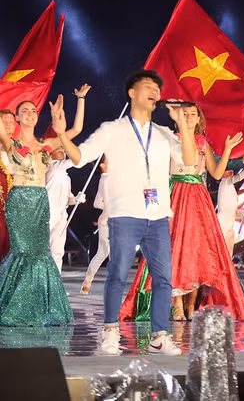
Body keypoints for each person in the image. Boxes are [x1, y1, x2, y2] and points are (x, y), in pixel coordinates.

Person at [50, 70, 196, 355]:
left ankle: (159, 336)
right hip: (125, 213)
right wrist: (60, 134)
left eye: (157, 88)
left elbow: (189, 160)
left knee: (164, 278)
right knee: (117, 273)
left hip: (157, 215)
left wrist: (183, 125)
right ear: (132, 93)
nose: (154, 91)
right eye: (147, 86)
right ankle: (110, 331)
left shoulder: (164, 133)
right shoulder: (113, 130)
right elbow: (80, 158)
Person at [119, 104, 244, 322]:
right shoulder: (170, 140)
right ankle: (176, 304)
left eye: (193, 114)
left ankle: (191, 304)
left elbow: (217, 173)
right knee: (176, 249)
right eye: (185, 114)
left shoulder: (202, 143)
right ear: (178, 117)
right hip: (176, 196)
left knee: (198, 251)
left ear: (199, 118)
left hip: (199, 199)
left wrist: (228, 149)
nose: (190, 117)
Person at [0, 87, 88, 326]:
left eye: (33, 111)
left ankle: (36, 305)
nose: (30, 114)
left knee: (40, 253)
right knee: (23, 252)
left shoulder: (45, 144)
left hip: (41, 200)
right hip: (20, 201)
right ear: (17, 118)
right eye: (25, 111)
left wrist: (80, 99)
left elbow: (76, 130)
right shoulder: (10, 142)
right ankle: (14, 306)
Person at [45, 146, 86, 272]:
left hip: (62, 213)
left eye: (64, 151)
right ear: (50, 155)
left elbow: (68, 198)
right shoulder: (53, 167)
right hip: (49, 212)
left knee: (57, 250)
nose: (63, 153)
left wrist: (77, 199)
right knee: (43, 247)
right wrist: (88, 153)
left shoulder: (66, 176)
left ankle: (56, 279)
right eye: (59, 151)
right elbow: (75, 161)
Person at [217, 159, 244, 256]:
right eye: (228, 170)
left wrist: (242, 213)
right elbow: (241, 175)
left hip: (229, 224)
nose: (231, 172)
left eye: (231, 170)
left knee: (227, 254)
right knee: (220, 252)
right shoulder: (225, 183)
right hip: (222, 223)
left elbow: (232, 210)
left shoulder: (230, 187)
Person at [81, 156, 110, 294]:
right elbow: (105, 203)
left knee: (102, 253)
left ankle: (87, 283)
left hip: (107, 219)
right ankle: (113, 286)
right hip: (111, 221)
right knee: (111, 253)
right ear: (102, 165)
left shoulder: (105, 179)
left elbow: (97, 203)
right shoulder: (107, 179)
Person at [0, 109, 14, 259]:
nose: (8, 124)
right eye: (4, 121)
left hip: (17, 212)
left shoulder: (22, 148)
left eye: (11, 121)